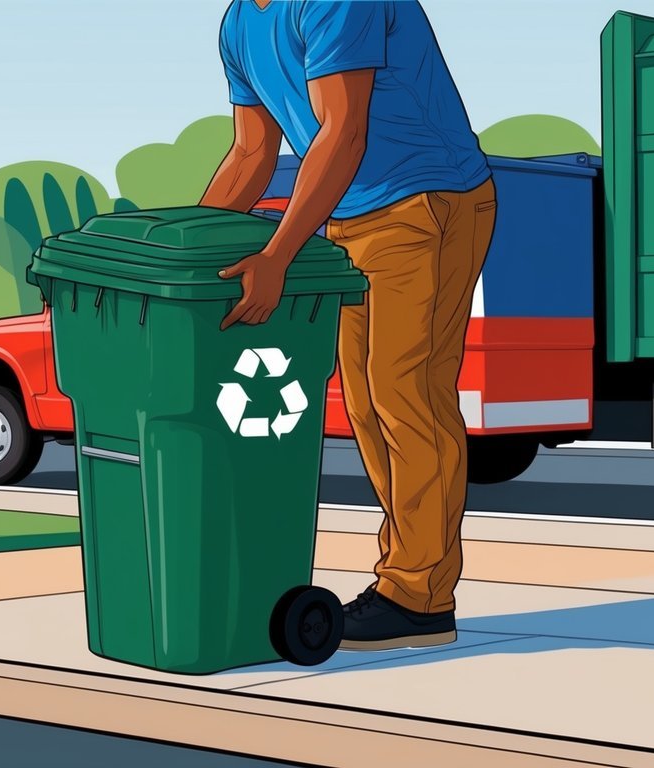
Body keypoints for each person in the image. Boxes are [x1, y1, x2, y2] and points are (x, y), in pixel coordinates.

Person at [201, 0, 496, 650]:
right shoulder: (239, 23)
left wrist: (276, 255)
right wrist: (183, 243)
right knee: (365, 401)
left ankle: (419, 595)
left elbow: (343, 132)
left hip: (427, 199)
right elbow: (251, 152)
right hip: (351, 218)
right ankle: (408, 578)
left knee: (405, 391)